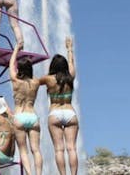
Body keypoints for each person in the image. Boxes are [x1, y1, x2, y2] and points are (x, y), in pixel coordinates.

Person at [39, 37, 78, 175]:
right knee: (72, 148)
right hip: (70, 112)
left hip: (54, 113)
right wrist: (69, 49)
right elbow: (72, 63)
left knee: (59, 149)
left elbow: (32, 82)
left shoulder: (48, 79)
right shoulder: (70, 76)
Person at [9, 42, 42, 175]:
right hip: (32, 116)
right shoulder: (36, 82)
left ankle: (29, 173)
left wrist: (16, 49)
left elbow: (11, 65)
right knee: (36, 150)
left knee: (23, 150)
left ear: (19, 69)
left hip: (19, 116)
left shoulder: (16, 81)